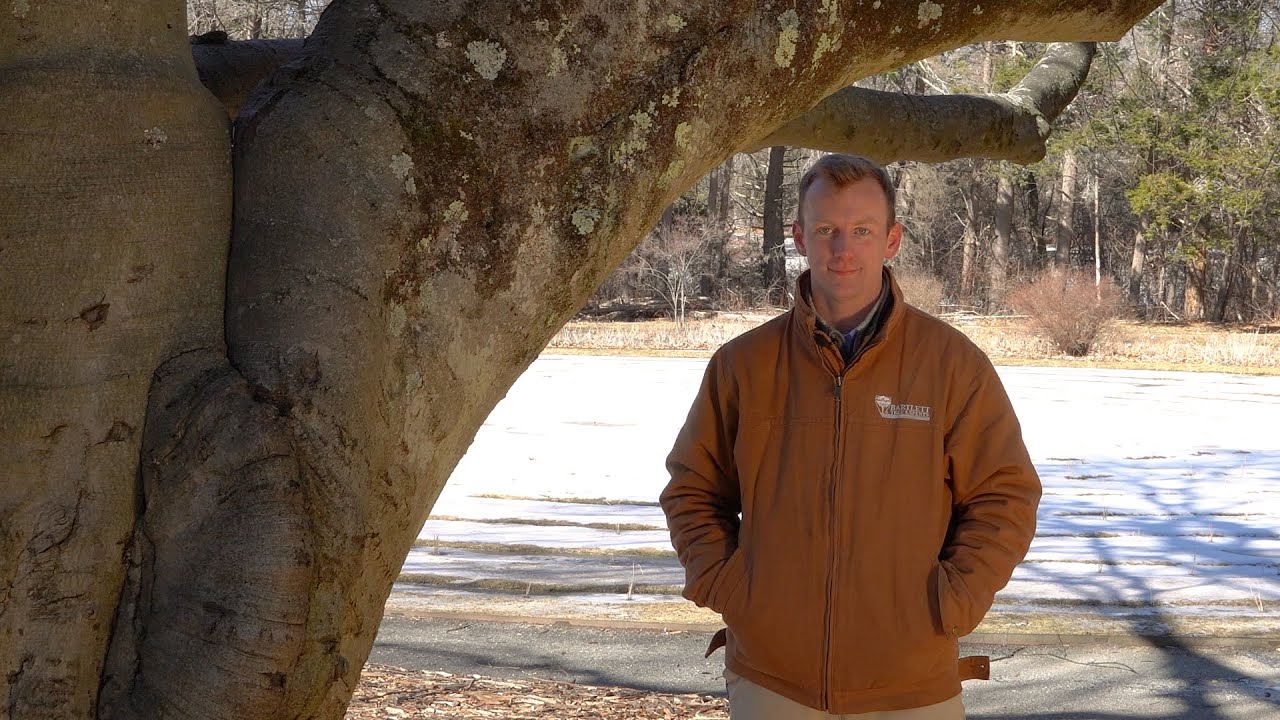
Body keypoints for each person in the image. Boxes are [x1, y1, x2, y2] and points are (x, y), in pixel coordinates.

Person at [660, 154, 1041, 719]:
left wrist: (953, 602)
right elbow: (693, 488)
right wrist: (728, 586)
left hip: (912, 684)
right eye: (826, 230)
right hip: (772, 682)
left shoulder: (951, 364)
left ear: (891, 240)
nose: (843, 249)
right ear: (799, 237)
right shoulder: (745, 365)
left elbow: (1005, 496)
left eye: (862, 230)